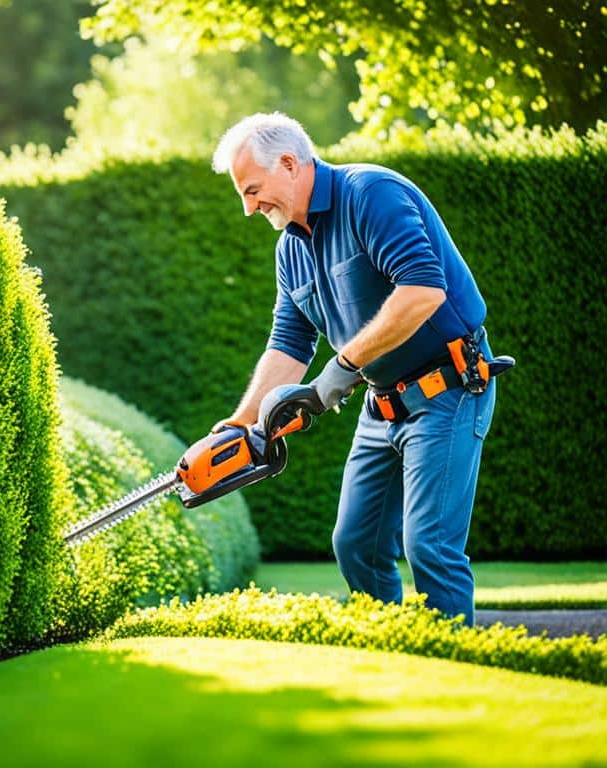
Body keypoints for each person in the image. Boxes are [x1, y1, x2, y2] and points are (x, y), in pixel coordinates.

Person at [211, 112, 501, 626]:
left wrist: (340, 369)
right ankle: (394, 659)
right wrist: (241, 425)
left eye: (252, 190)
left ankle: (454, 673)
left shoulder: (370, 193)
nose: (248, 207)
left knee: (429, 545)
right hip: (382, 402)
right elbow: (289, 342)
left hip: (449, 386)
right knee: (355, 545)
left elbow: (422, 292)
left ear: (288, 163)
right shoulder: (290, 251)